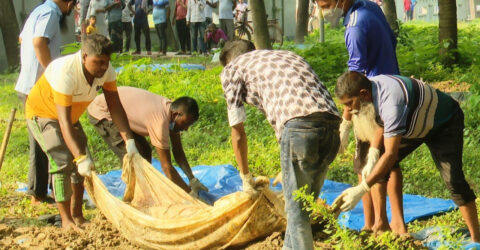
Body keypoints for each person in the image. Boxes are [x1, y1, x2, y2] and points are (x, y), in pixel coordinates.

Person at [220, 40, 341, 250]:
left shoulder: (233, 68)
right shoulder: (287, 56)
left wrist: (245, 177)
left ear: (230, 61)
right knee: (301, 206)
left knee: (296, 213)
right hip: (331, 129)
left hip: (299, 128)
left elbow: (237, 132)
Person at [333, 71, 480, 243]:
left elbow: (390, 153)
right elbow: (382, 123)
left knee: (454, 180)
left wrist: (362, 188)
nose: (348, 110)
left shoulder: (391, 103)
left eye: (350, 104)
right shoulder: (369, 90)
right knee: (377, 164)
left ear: (363, 94)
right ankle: (381, 225)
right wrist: (348, 127)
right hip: (412, 124)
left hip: (443, 123)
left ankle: (476, 239)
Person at [26, 34, 139, 231]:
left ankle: (77, 215)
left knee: (84, 164)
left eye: (106, 62)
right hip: (43, 113)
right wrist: (78, 157)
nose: (103, 67)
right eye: (99, 62)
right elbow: (62, 121)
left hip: (69, 117)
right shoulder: (65, 72)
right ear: (84, 56)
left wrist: (129, 140)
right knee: (63, 161)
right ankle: (66, 220)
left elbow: (115, 107)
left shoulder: (106, 71)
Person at [317, 0, 405, 234]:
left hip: (371, 101)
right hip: (392, 88)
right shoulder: (370, 7)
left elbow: (355, 76)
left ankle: (379, 224)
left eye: (325, 4)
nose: (323, 11)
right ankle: (391, 223)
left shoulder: (354, 27)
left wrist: (346, 119)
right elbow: (392, 40)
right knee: (391, 162)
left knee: (368, 162)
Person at [87, 86, 208, 197]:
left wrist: (192, 179)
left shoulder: (172, 115)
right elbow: (167, 167)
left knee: (145, 152)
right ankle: (134, 198)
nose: (186, 129)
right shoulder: (159, 121)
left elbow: (178, 152)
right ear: (177, 114)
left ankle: (143, 192)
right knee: (132, 159)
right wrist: (190, 194)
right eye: (185, 124)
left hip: (124, 112)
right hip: (104, 111)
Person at [16, 0, 77, 206]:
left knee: (46, 140)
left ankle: (47, 189)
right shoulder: (51, 14)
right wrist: (52, 73)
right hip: (37, 87)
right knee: (43, 141)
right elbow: (38, 42)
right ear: (69, 3)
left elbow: (22, 38)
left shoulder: (39, 11)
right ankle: (38, 194)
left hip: (28, 84)